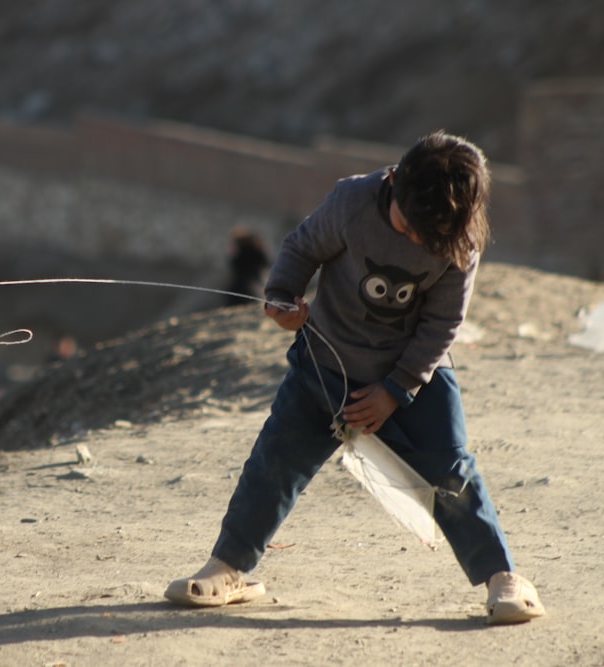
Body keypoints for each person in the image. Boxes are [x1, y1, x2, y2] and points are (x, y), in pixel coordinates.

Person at [165, 131, 546, 625]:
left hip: (414, 376)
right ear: (394, 183)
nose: (414, 239)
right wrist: (282, 296)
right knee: (274, 462)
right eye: (408, 225)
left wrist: (394, 391)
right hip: (325, 363)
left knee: (450, 470)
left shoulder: (460, 242)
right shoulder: (353, 202)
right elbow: (302, 249)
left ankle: (503, 579)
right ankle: (228, 568)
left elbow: (442, 325)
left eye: (426, 237)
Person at [224, 226, 271, 306]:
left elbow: (233, 264)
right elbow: (266, 263)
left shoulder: (240, 252)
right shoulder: (255, 251)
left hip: (242, 284)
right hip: (253, 283)